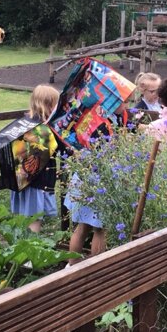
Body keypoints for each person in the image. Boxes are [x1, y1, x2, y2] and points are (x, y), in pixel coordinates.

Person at [66, 103, 128, 265]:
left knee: (82, 227)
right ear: (113, 102)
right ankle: (96, 270)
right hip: (101, 181)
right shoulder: (105, 123)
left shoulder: (91, 115)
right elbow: (108, 154)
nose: (127, 105)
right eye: (125, 102)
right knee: (100, 229)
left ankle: (72, 267)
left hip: (83, 177)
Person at [10, 85, 60, 233]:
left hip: (22, 179)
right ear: (49, 106)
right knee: (34, 220)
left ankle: (21, 243)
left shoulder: (25, 123)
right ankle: (30, 246)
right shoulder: (44, 130)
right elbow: (57, 149)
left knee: (26, 219)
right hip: (37, 183)